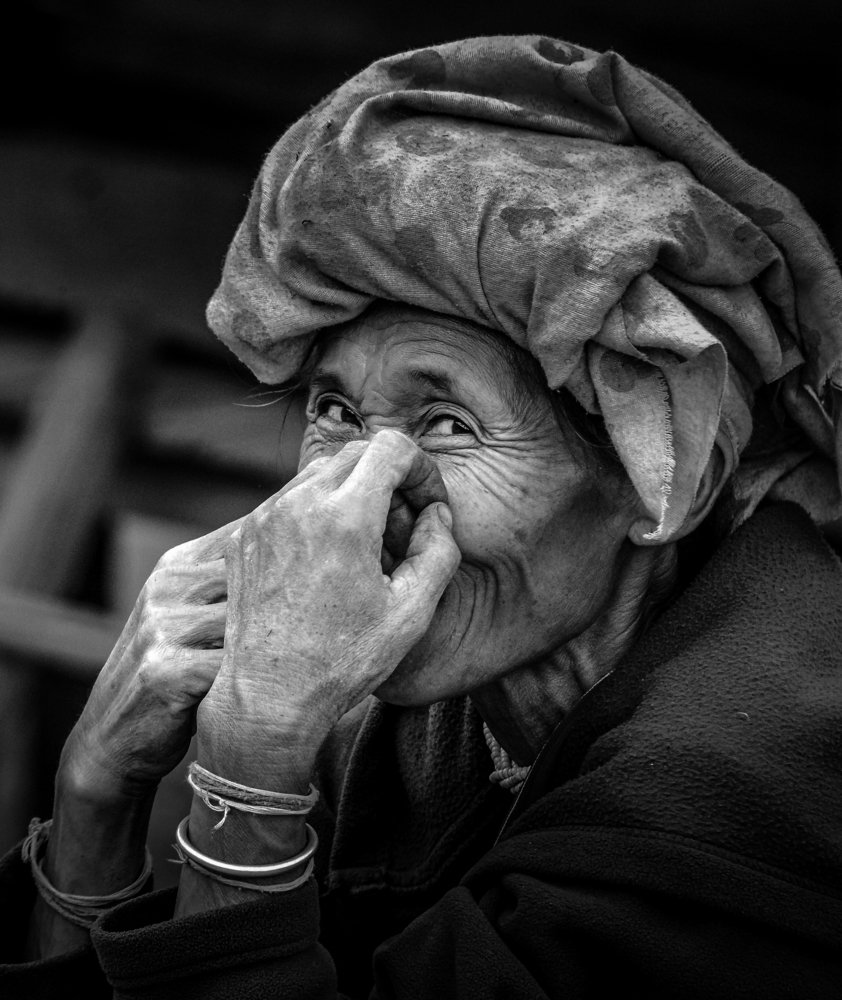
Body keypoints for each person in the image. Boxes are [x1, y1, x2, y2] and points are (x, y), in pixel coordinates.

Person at [3, 34, 842, 999]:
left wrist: (252, 765)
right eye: (336, 414)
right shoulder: (413, 720)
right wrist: (95, 792)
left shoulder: (747, 798)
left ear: (666, 489)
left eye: (448, 422)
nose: (359, 499)